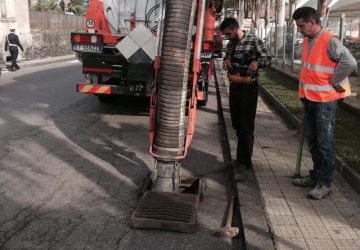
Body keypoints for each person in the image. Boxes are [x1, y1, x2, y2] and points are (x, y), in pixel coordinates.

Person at [292, 7, 357, 199]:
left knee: (324, 143)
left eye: (301, 26)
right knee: (313, 141)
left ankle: (325, 183)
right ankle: (316, 176)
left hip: (325, 101)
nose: (299, 30)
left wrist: (335, 80)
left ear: (312, 22)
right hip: (310, 98)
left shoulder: (330, 40)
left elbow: (351, 63)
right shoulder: (307, 40)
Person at [220, 18, 271, 177]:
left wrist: (257, 63)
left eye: (228, 33)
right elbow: (227, 56)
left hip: (249, 88)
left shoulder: (254, 41)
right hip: (235, 87)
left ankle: (244, 163)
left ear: (235, 29)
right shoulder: (231, 44)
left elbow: (268, 59)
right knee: (236, 124)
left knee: (245, 126)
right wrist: (226, 60)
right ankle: (240, 159)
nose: (227, 37)